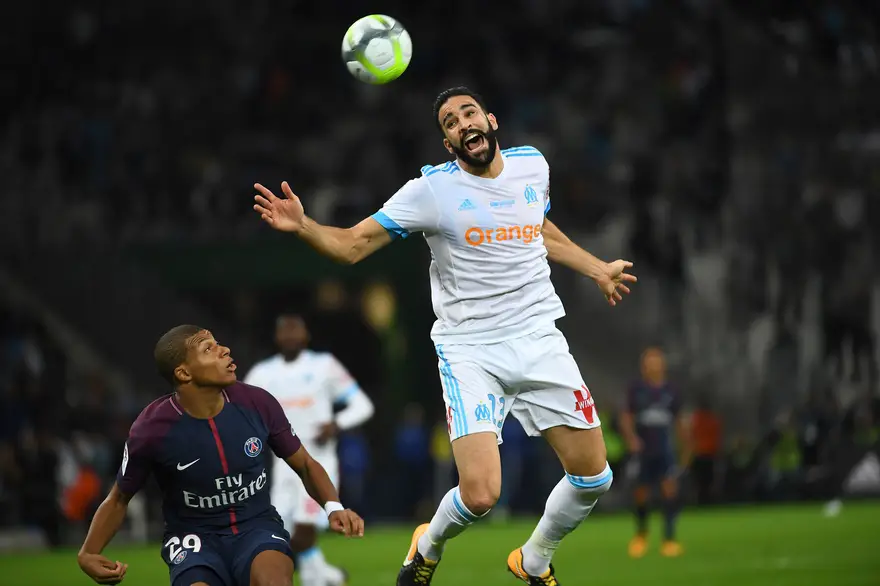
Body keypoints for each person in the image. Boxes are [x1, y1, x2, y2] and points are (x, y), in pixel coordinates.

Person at [253, 87, 636, 586]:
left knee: (594, 477)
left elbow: (536, 227)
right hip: (471, 348)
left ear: (491, 120)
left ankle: (534, 559)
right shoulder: (431, 191)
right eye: (450, 122)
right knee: (480, 495)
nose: (462, 124)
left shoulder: (532, 166)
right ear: (447, 142)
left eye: (468, 113)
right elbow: (352, 246)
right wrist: (304, 225)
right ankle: (426, 545)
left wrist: (596, 269)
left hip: (540, 336)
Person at [76, 325, 364, 586]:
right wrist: (89, 552)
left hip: (257, 527)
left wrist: (333, 507)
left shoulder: (257, 403)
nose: (224, 350)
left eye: (218, 343)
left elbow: (304, 464)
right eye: (208, 349)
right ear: (184, 373)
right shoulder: (151, 429)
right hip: (193, 537)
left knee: (273, 579)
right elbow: (119, 498)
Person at [244, 313, 374, 586]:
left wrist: (336, 424)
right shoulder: (261, 373)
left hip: (318, 464)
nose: (291, 336)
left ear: (306, 335)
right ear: (276, 337)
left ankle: (321, 576)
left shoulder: (324, 365)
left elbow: (363, 405)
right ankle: (327, 576)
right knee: (278, 534)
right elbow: (241, 413)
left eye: (296, 330)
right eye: (285, 331)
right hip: (281, 468)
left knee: (302, 535)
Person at [619, 347, 689, 558]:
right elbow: (626, 417)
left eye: (656, 361)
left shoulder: (672, 391)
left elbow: (679, 421)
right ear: (643, 367)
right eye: (649, 362)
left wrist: (685, 445)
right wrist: (631, 438)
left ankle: (669, 539)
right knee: (641, 493)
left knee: (669, 489)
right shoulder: (636, 390)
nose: (653, 366)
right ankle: (641, 535)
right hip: (643, 449)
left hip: (665, 449)